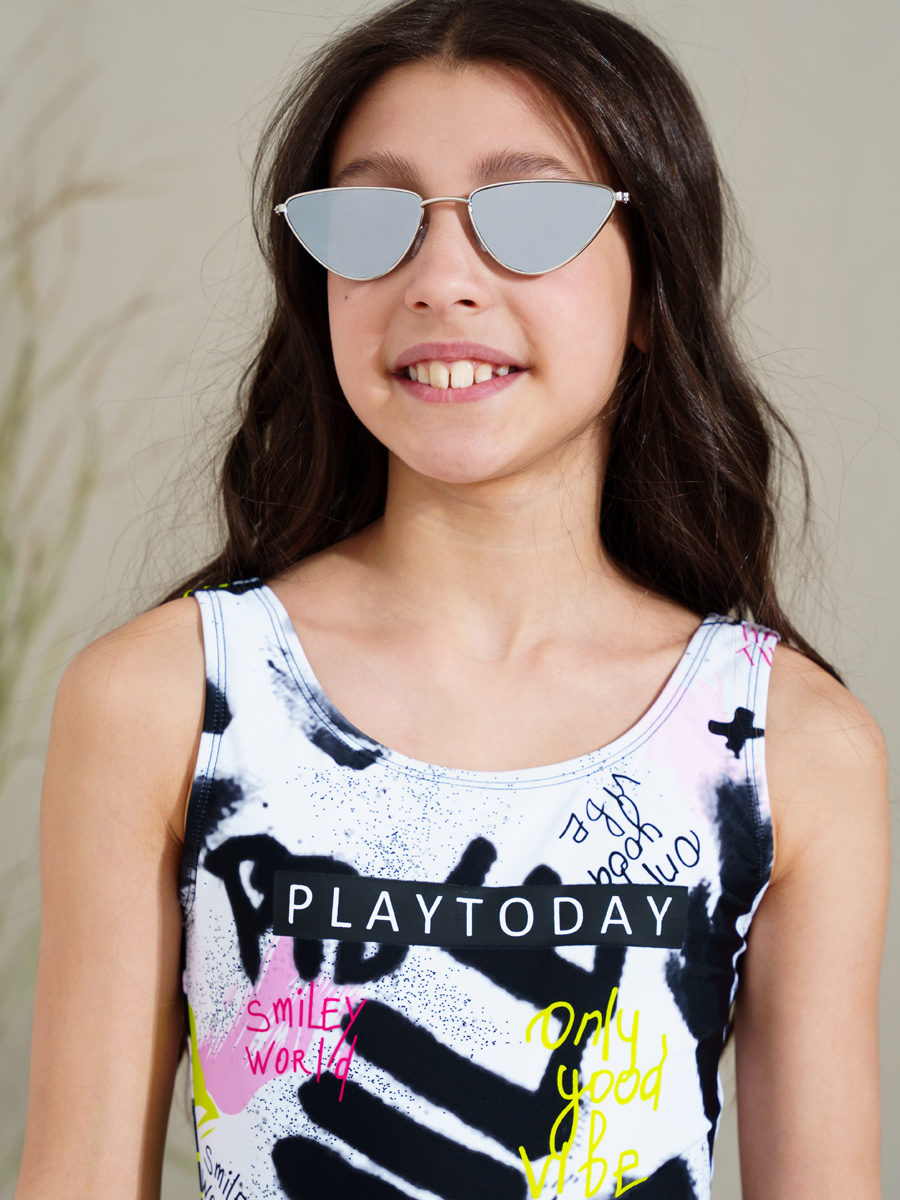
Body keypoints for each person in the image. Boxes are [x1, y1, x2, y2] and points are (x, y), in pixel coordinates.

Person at [15, 0, 888, 1197]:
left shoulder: (792, 744)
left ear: (652, 290)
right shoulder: (164, 699)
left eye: (528, 218)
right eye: (372, 223)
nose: (439, 282)